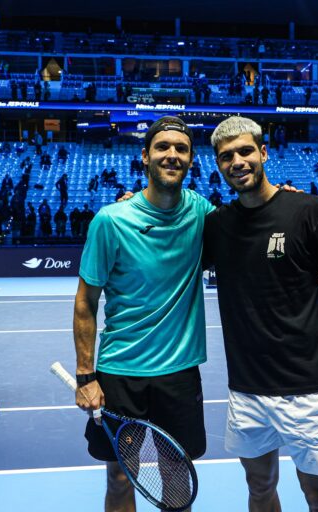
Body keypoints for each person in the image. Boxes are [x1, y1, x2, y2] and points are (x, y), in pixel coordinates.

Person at [204, 116, 318, 511]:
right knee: (259, 487)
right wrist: (134, 199)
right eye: (226, 156)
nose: (237, 161)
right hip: (247, 389)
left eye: (245, 151)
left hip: (309, 388)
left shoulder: (310, 212)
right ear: (218, 165)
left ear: (263, 153)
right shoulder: (216, 226)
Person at [73, 117, 211, 511]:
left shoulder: (202, 212)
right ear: (145, 155)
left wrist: (284, 197)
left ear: (191, 160)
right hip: (120, 373)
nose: (172, 154)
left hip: (179, 373)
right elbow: (86, 301)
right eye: (163, 147)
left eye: (181, 149)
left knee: (175, 473)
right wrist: (86, 375)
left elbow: (251, 219)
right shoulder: (111, 220)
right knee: (120, 476)